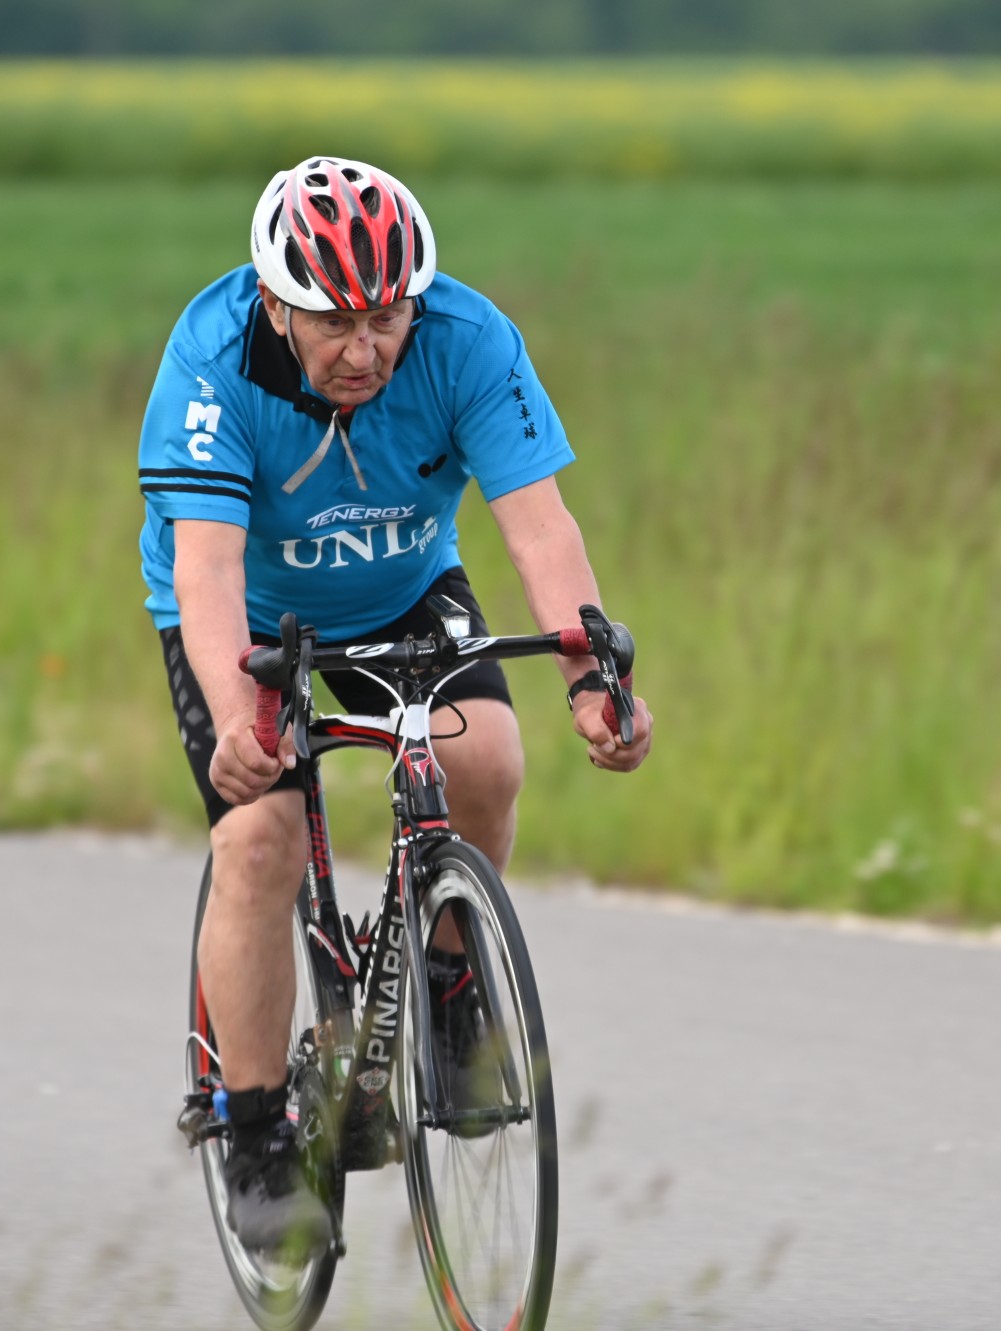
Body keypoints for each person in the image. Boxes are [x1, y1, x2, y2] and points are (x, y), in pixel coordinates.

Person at [137, 156, 654, 1250]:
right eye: (334, 324)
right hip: (248, 614)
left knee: (486, 760)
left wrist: (591, 680)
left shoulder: (467, 339)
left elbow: (539, 527)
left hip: (403, 584)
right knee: (262, 837)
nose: (365, 350)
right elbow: (208, 570)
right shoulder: (211, 360)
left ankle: (448, 980)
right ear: (276, 303)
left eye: (386, 318)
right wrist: (237, 715)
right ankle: (256, 1131)